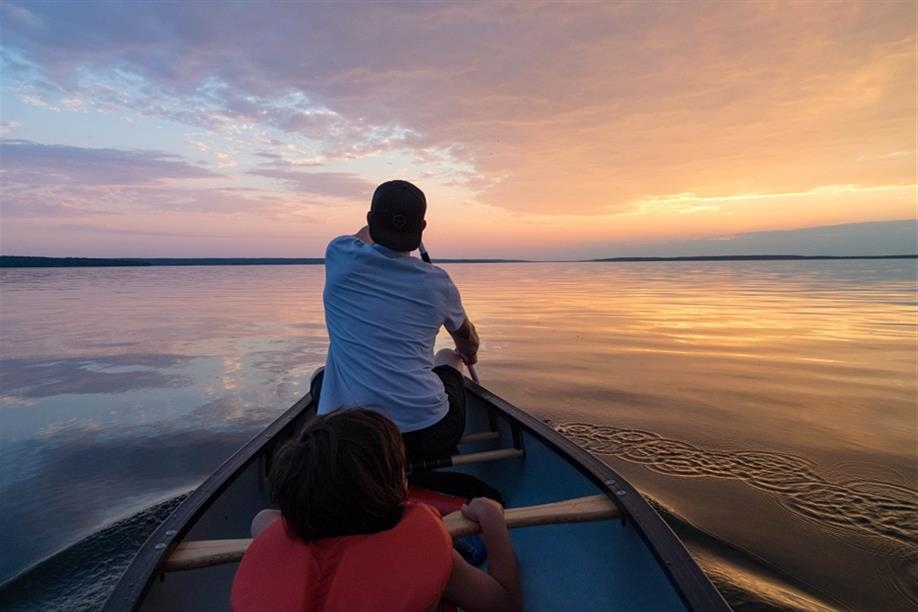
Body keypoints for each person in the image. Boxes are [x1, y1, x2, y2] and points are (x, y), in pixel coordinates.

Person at [231, 409, 522, 612]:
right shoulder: (426, 555)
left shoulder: (272, 528)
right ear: (399, 485)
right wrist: (492, 519)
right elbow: (504, 604)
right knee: (466, 546)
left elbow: (263, 520)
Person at [313, 179, 480, 461]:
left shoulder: (339, 254)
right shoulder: (439, 283)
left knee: (321, 379)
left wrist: (379, 222)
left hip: (353, 439)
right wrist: (467, 353)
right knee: (448, 356)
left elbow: (362, 236)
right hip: (428, 434)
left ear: (369, 218)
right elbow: (467, 339)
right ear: (422, 227)